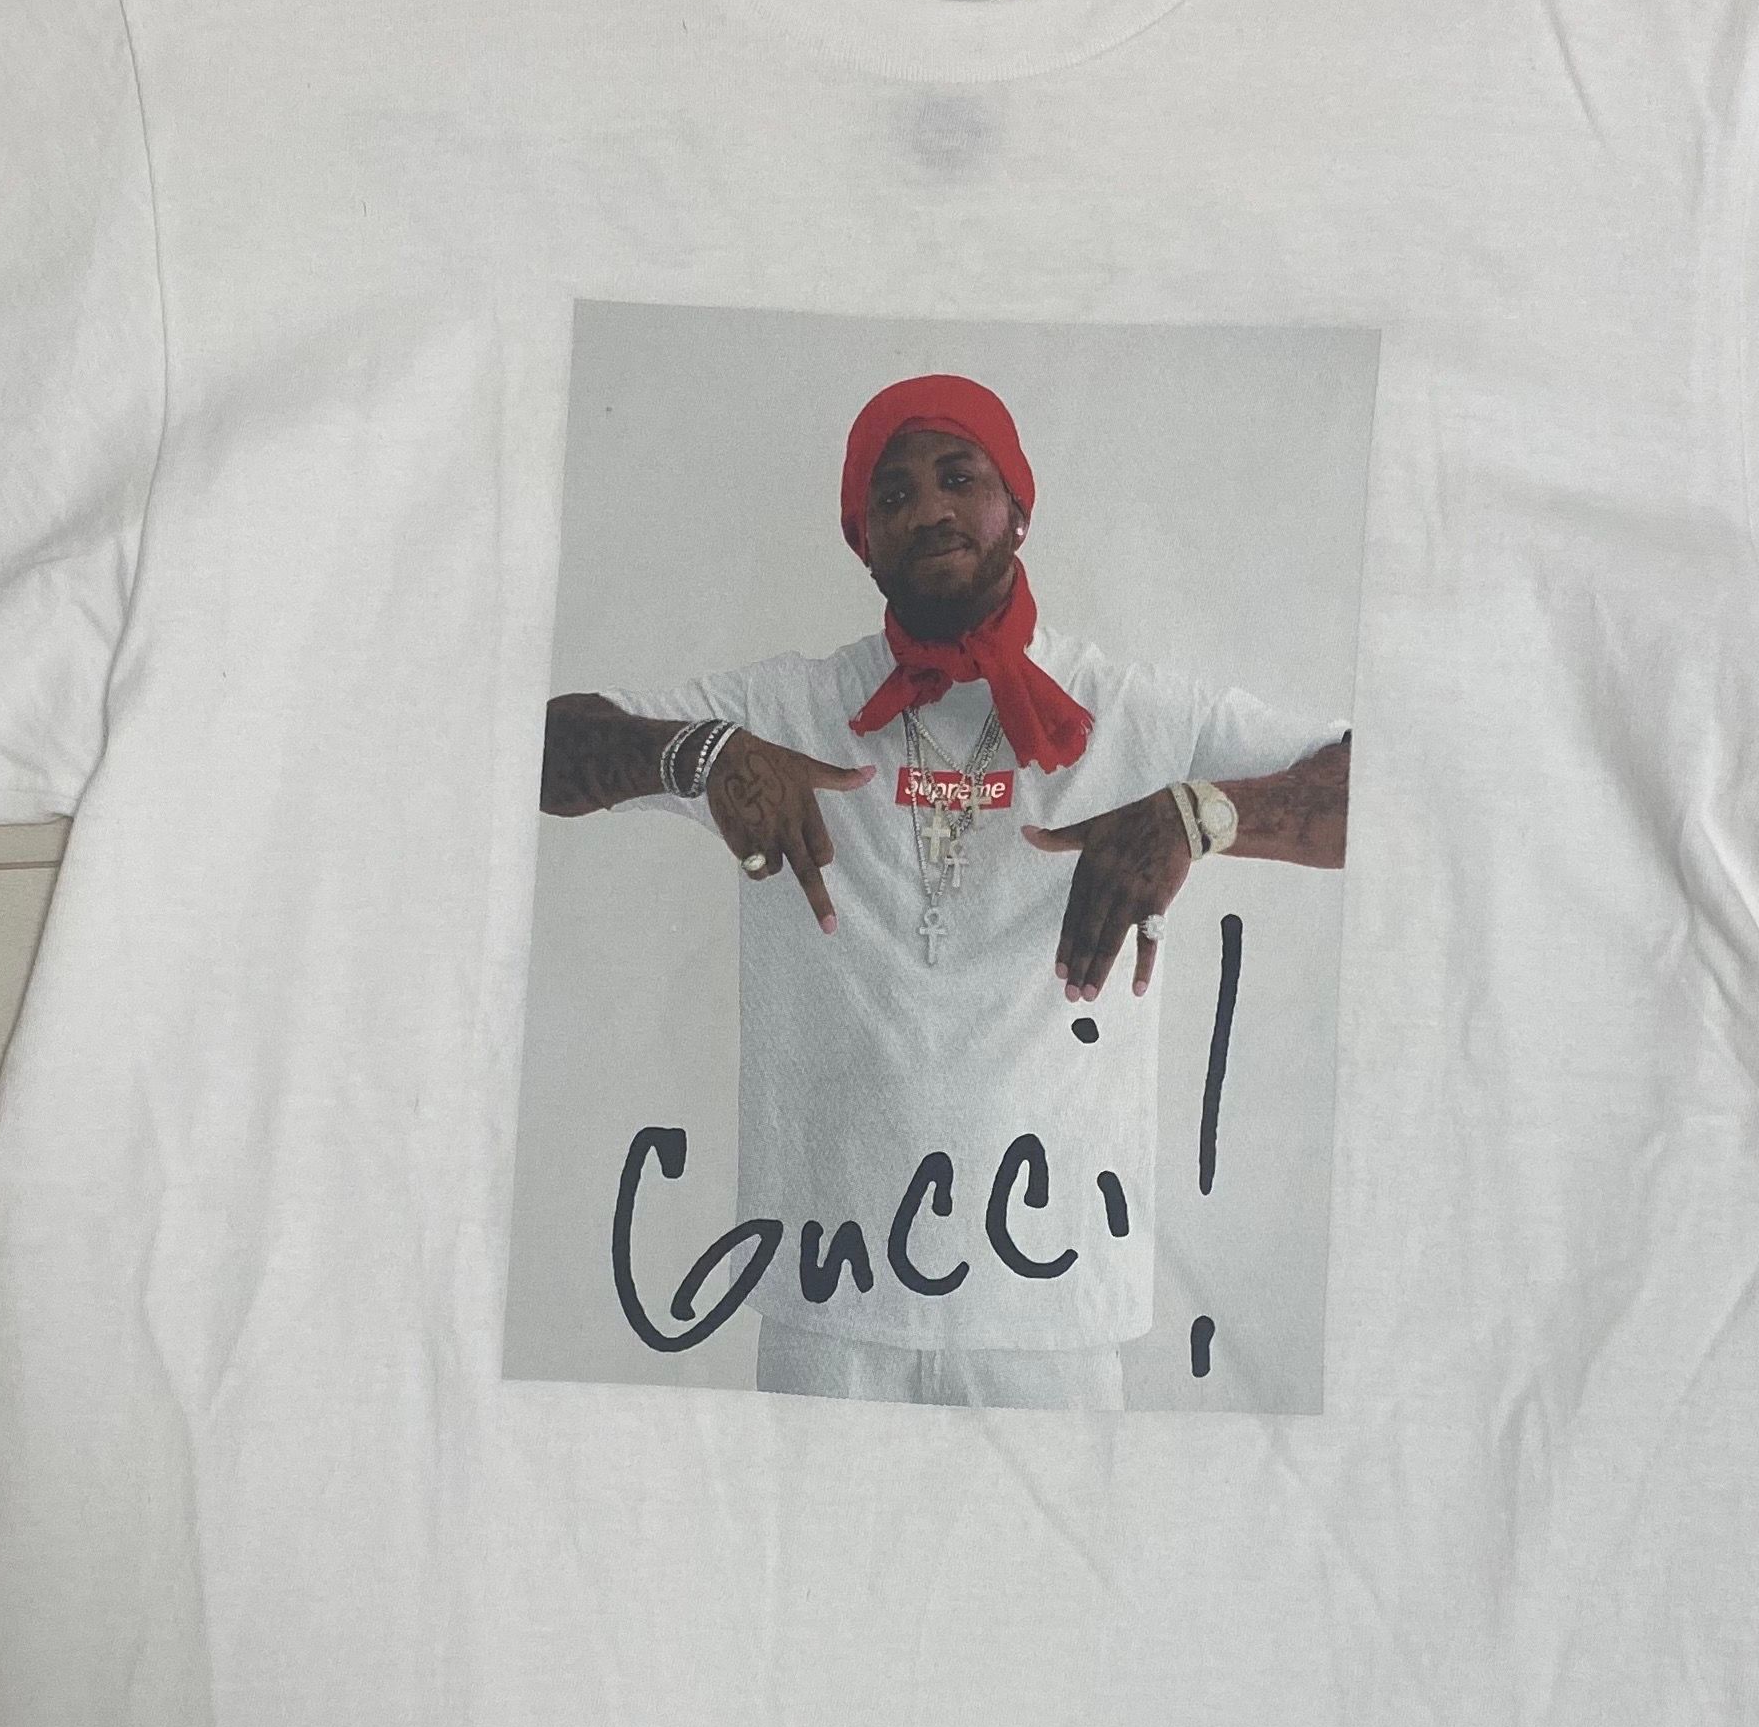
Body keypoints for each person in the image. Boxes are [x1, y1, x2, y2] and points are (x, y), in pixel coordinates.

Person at [540, 372, 1350, 1408]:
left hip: (1051, 1311)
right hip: (826, 1304)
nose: (928, 509)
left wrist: (1202, 813)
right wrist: (700, 755)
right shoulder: (784, 708)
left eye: (959, 477)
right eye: (892, 495)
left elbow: (1381, 789)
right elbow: (538, 745)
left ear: (1018, 508)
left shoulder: (1139, 715)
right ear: (862, 542)